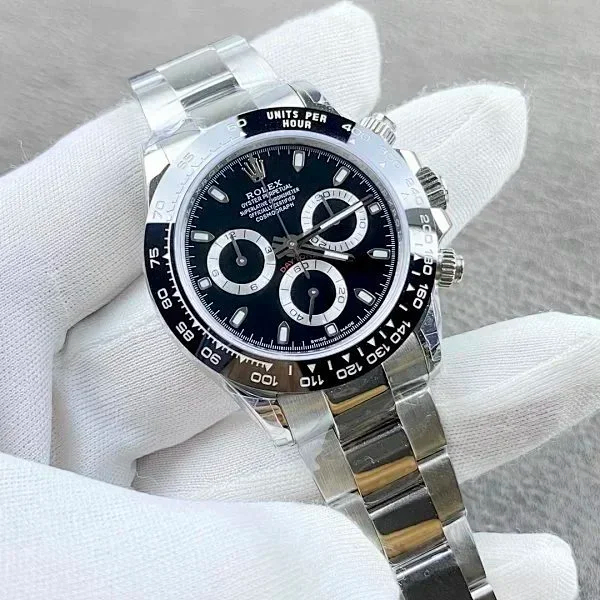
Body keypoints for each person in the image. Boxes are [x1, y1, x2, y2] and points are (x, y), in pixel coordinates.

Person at [0, 3, 588, 598]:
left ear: (421, 203)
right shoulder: (173, 186)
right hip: (292, 372)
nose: (291, 248)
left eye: (323, 223)